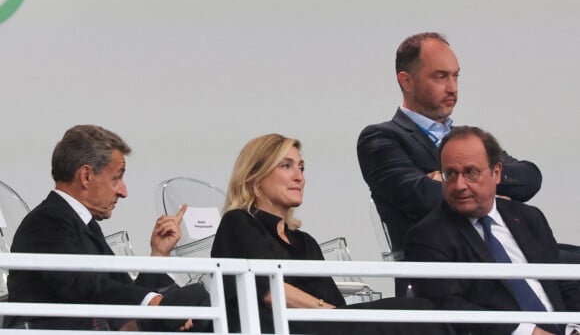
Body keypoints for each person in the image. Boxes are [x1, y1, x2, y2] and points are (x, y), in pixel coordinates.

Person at [211, 133, 455, 335]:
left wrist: (336, 315)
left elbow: (336, 305)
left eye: (302, 168)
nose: (299, 177)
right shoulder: (239, 222)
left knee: (422, 310)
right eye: (286, 166)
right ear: (255, 177)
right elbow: (269, 291)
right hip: (276, 329)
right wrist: (331, 314)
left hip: (319, 327)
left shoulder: (304, 242)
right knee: (413, 313)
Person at [357, 32, 542, 257]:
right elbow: (422, 197)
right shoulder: (381, 138)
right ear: (406, 81)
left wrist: (477, 180)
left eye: (455, 76)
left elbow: (529, 177)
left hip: (505, 252)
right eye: (440, 77)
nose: (452, 88)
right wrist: (487, 186)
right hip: (441, 263)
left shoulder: (466, 140)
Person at [7, 125, 208, 331]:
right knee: (195, 299)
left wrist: (158, 254)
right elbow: (79, 283)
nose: (124, 191)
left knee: (197, 300)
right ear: (86, 176)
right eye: (116, 178)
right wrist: (153, 302)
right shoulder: (45, 221)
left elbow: (123, 292)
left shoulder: (83, 224)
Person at [405, 126, 580, 335]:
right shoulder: (427, 237)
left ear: (496, 173)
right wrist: (529, 332)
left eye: (470, 173)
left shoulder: (529, 218)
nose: (459, 185)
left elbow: (561, 282)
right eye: (450, 174)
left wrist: (573, 328)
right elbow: (449, 308)